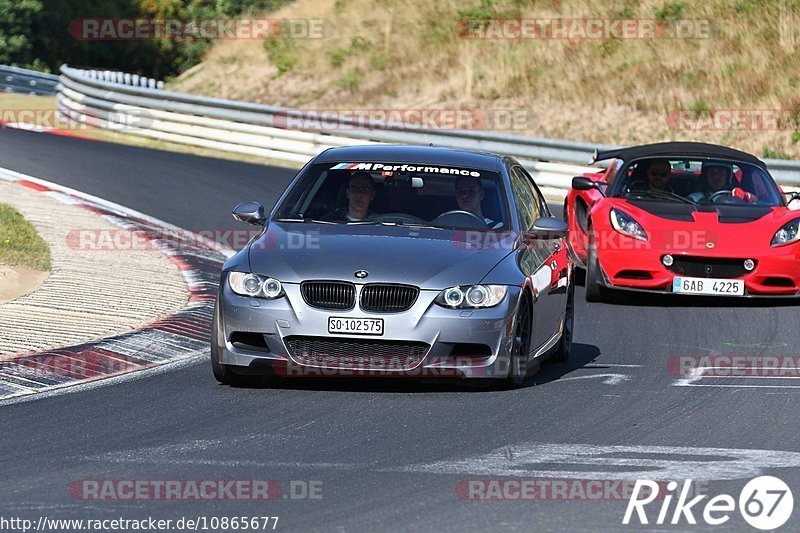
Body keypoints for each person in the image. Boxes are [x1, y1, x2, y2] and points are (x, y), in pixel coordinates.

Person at [689, 164, 755, 203]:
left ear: (727, 176)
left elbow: (760, 203)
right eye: (712, 172)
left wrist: (746, 196)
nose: (716, 176)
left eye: (721, 172)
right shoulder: (695, 197)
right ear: (706, 176)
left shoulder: (736, 195)